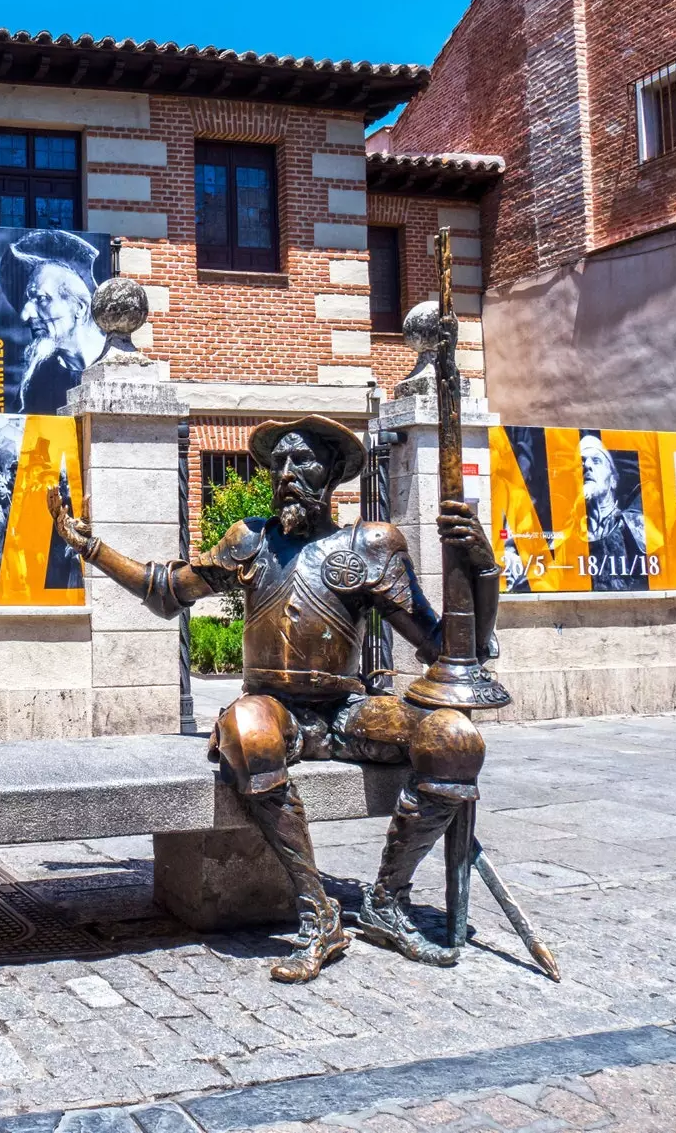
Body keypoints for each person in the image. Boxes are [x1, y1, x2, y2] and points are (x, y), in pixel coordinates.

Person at [50, 415, 500, 982]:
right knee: (247, 728)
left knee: (454, 737)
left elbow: (447, 646)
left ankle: (387, 899)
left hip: (349, 709)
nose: (286, 473)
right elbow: (166, 591)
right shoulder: (250, 540)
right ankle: (319, 913)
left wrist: (482, 569)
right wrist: (90, 546)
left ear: (334, 470)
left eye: (303, 460)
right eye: (278, 463)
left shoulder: (371, 545)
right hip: (275, 707)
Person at [1, 230, 107, 415]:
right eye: (28, 301)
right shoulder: (38, 379)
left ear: (79, 308)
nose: (25, 316)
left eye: (42, 299)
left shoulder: (112, 365)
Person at [578, 434, 648, 592]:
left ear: (614, 480)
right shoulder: (569, 535)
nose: (586, 465)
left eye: (596, 460)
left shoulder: (635, 527)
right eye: (581, 461)